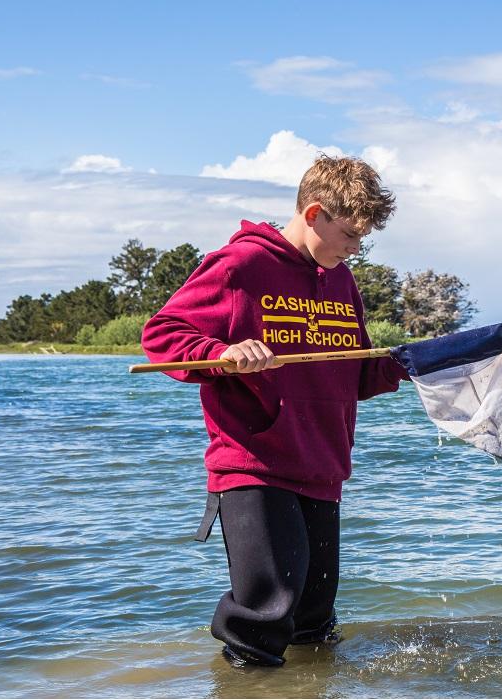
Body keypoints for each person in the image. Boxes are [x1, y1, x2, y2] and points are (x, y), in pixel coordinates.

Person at [141, 155, 408, 667]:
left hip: (323, 467)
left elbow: (353, 374)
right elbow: (162, 335)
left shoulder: (342, 282)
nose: (356, 247)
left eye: (363, 238)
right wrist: (222, 355)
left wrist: (412, 363)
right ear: (314, 214)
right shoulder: (241, 266)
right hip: (254, 464)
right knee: (266, 615)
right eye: (351, 233)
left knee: (313, 622)